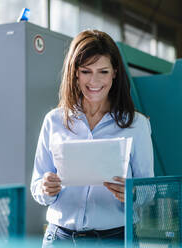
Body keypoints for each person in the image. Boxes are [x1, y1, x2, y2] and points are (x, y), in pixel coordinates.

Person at [30, 30, 154, 247]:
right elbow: (37, 184)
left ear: (115, 72)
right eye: (86, 71)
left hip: (116, 239)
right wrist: (45, 188)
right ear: (74, 73)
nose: (94, 81)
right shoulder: (54, 121)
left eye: (103, 71)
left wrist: (133, 193)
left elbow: (149, 189)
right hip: (59, 238)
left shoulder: (137, 125)